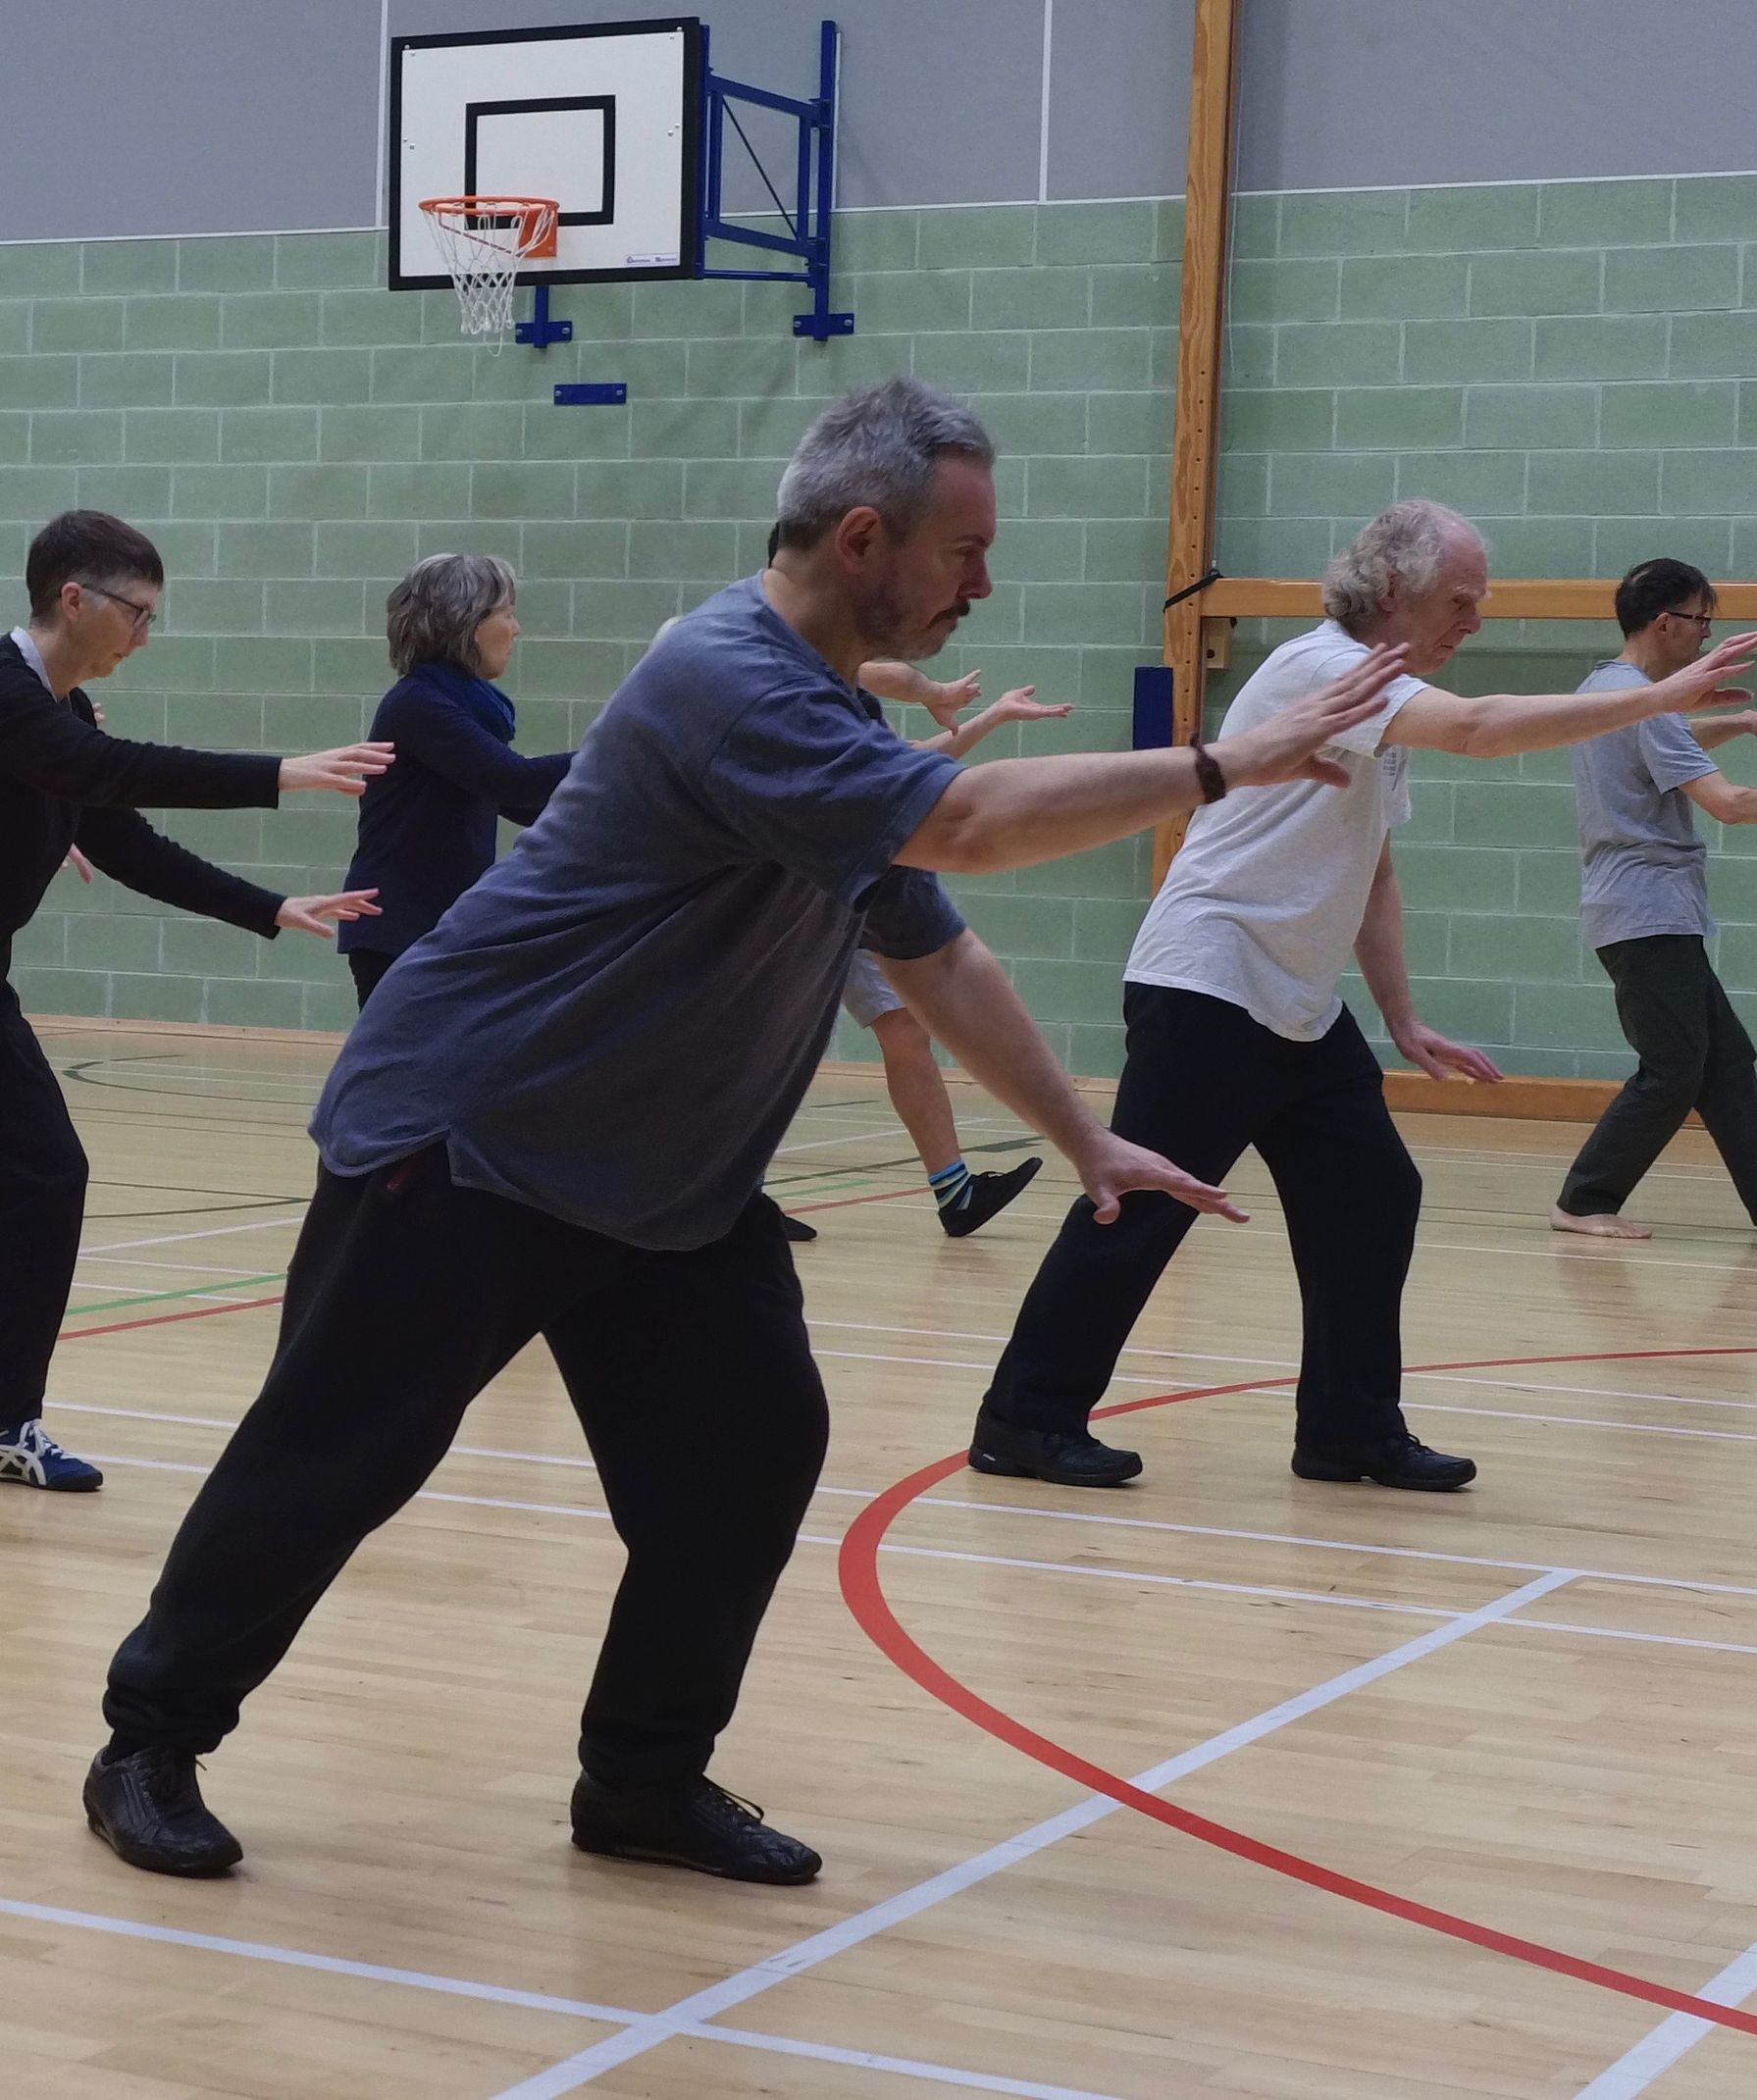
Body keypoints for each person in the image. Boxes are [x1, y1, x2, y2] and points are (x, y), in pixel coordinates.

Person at [84, 378, 1405, 1888]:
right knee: (338, 1453)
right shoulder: (728, 676)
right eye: (963, 551)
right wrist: (1224, 760)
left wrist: (1085, 1138)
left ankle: (643, 1782)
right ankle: (150, 1734)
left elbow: (939, 950)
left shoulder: (831, 716)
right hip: (476, 1127)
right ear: (862, 537)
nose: (983, 583)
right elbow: (967, 823)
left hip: (661, 1175)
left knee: (749, 1448)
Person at [969, 500, 1757, 1496]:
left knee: (1374, 1191)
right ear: (1393, 591)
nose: (1474, 620)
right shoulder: (1321, 667)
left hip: (1297, 1001)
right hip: (1208, 981)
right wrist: (1657, 698)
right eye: (1461, 601)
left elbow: (1372, 867)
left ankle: (1348, 1429)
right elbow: (1477, 729)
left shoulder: (1387, 698)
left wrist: (1401, 1016)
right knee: (1141, 1204)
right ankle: (1025, 1417)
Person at [0, 510, 390, 1492]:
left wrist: (270, 907)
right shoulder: (12, 699)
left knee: (44, 1176)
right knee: (44, 1174)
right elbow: (98, 773)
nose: (143, 635)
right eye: (135, 613)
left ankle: (7, 1419)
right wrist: (279, 774)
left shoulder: (62, 719)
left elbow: (125, 838)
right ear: (73, 598)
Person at [1550, 558, 1757, 1241]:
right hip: (1646, 911)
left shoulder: (1609, 691)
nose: (1704, 633)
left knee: (1723, 1057)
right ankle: (1584, 1199)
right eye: (1700, 619)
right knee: (1673, 1068)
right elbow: (1727, 802)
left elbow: (1662, 747)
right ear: (1664, 623)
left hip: (1643, 909)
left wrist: (1746, 722)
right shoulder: (1645, 699)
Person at [840, 667, 1074, 1236]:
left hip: (854, 884)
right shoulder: (801, 661)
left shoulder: (843, 706)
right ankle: (736, 1198)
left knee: (903, 1031)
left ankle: (956, 1193)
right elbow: (885, 677)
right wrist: (935, 693)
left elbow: (913, 762)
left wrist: (990, 714)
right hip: (801, 884)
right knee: (759, 1039)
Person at [340, 553, 572, 1010]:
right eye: (506, 613)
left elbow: (528, 804)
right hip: (400, 930)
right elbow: (512, 781)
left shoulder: (460, 704)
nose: (517, 628)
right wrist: (628, 747)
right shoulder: (418, 705)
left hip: (442, 926)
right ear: (464, 623)